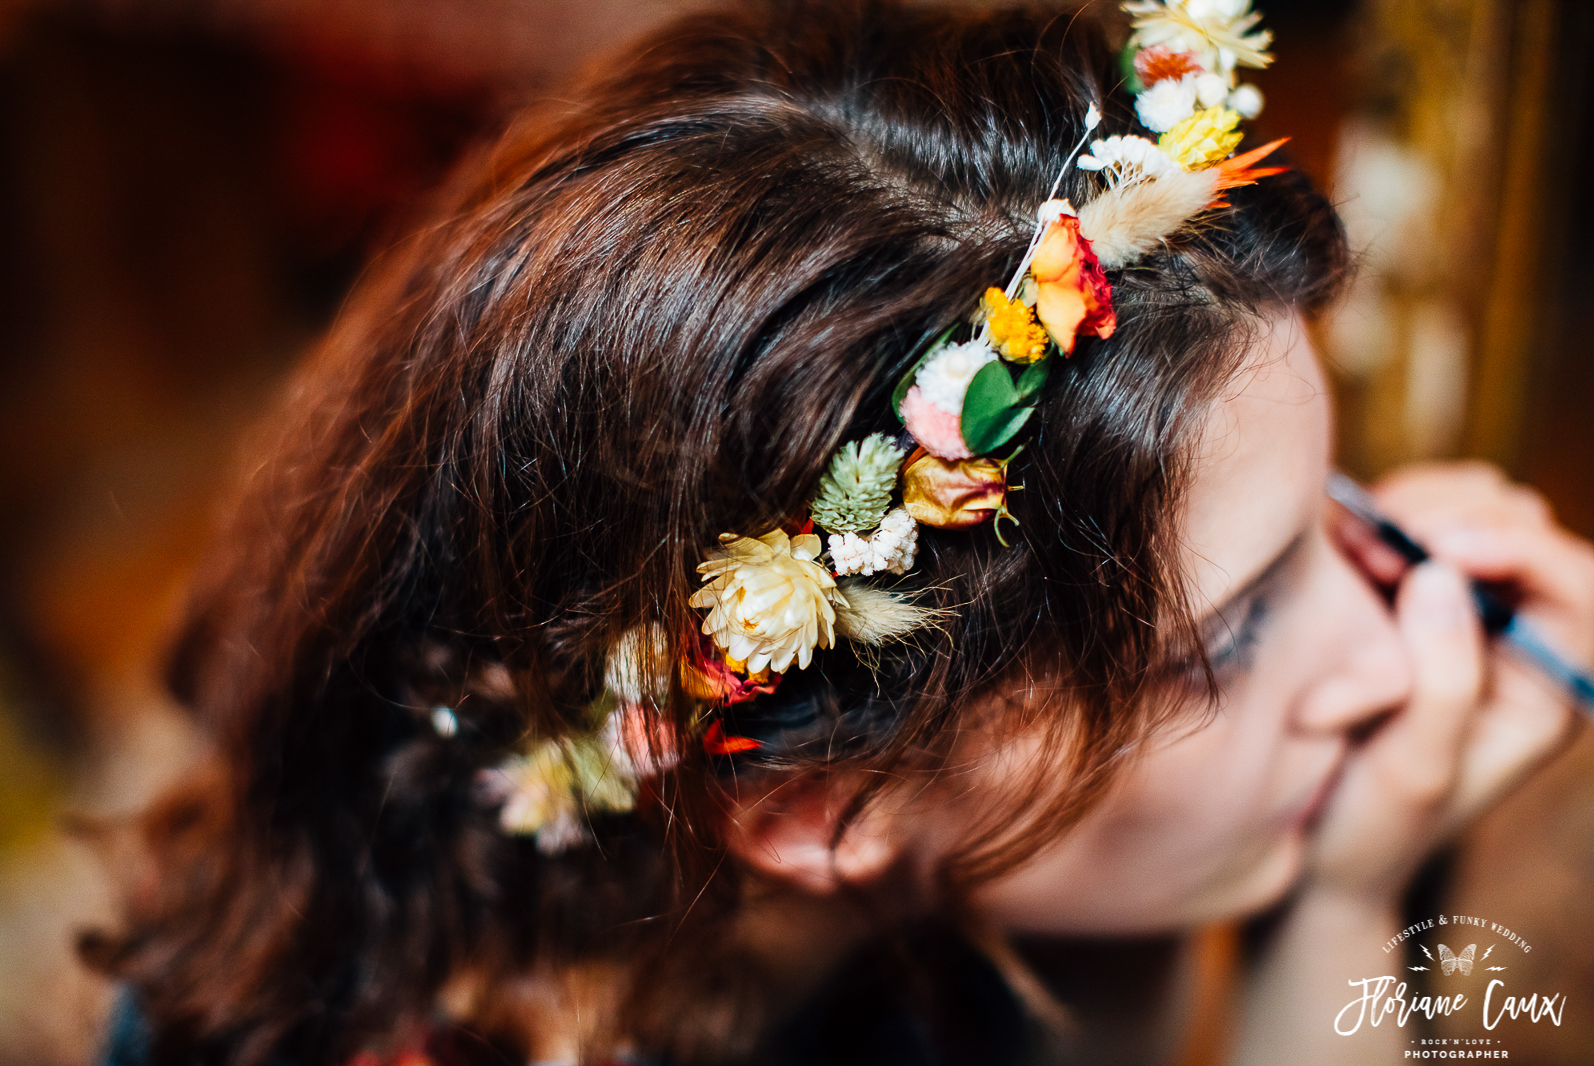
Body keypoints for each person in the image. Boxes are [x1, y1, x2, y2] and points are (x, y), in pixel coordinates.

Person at [86, 1, 1594, 1064]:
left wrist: (1322, 885)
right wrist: (1329, 922)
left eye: (1335, 507)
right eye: (1234, 637)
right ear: (828, 813)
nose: (1394, 653)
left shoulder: (912, 855)